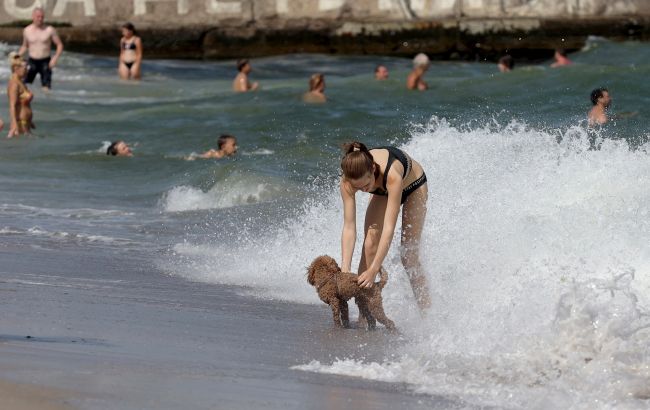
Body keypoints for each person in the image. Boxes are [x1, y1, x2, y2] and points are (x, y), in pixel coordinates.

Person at [339, 142, 430, 310]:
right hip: (383, 189)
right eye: (358, 188)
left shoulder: (392, 175)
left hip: (413, 186)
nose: (365, 191)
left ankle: (427, 311)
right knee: (370, 244)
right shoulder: (347, 182)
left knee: (409, 257)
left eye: (366, 186)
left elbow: (389, 229)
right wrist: (345, 269)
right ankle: (364, 314)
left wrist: (374, 269)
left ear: (373, 168)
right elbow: (349, 228)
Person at [18, 7, 64, 91]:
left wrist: (55, 58)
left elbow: (59, 45)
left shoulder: (49, 30)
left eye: (42, 17)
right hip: (32, 61)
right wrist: (18, 57)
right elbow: (25, 46)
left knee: (46, 88)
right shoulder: (27, 30)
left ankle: (46, 102)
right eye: (38, 17)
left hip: (45, 62)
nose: (40, 19)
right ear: (33, 17)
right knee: (24, 86)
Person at [7, 53, 34, 138]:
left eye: (27, 68)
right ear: (16, 68)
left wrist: (30, 120)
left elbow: (23, 104)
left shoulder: (21, 83)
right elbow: (12, 105)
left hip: (26, 123)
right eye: (25, 68)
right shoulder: (14, 84)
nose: (27, 70)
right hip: (20, 124)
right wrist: (14, 124)